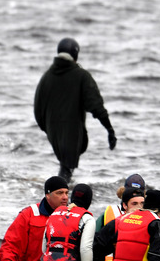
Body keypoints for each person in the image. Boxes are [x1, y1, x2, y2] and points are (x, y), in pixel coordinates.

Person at [33, 38, 116, 182]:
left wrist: (49, 129)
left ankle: (56, 194)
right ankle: (58, 198)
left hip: (53, 130)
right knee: (66, 171)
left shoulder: (46, 77)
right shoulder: (82, 76)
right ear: (75, 55)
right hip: (71, 130)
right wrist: (109, 129)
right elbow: (96, 106)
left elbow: (37, 109)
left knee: (65, 167)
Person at [0, 176, 69, 261]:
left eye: (66, 193)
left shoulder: (73, 216)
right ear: (47, 195)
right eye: (59, 193)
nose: (65, 197)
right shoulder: (29, 215)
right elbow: (10, 245)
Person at [40, 183, 96, 261]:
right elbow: (85, 248)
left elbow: (44, 248)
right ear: (89, 200)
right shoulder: (87, 218)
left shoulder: (54, 214)